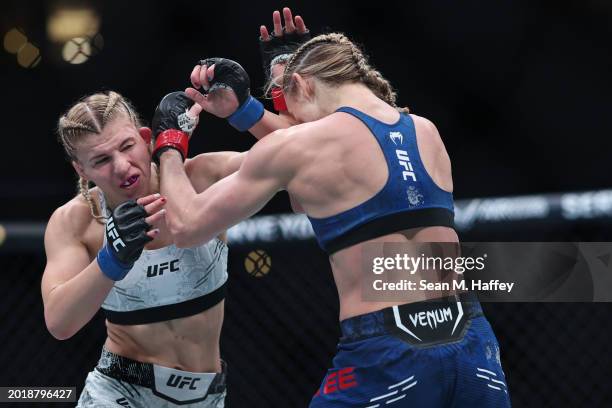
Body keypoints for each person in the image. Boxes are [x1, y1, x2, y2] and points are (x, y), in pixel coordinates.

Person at [154, 33, 512, 407]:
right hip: (472, 343)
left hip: (390, 352)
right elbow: (309, 178)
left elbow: (185, 226)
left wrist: (169, 145)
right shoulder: (426, 130)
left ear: (302, 85)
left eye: (287, 106)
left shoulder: (304, 146)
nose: (288, 120)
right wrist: (247, 109)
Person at [42, 90, 243, 407]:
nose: (122, 166)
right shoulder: (76, 221)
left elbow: (292, 160)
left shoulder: (202, 178)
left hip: (207, 396)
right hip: (119, 394)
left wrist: (249, 107)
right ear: (82, 170)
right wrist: (112, 258)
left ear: (146, 138)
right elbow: (60, 323)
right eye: (101, 160)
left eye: (127, 146)